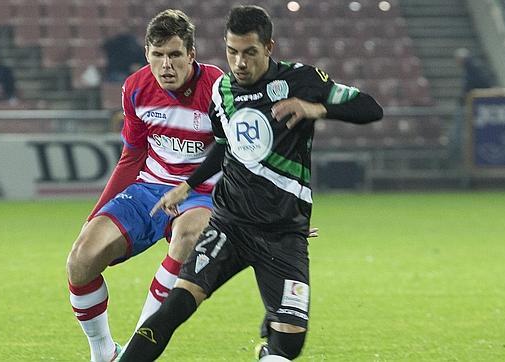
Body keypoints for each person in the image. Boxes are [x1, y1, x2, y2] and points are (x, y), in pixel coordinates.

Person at [119, 5, 383, 361]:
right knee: (175, 307)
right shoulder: (222, 91)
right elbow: (224, 147)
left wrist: (315, 109)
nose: (239, 62)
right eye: (232, 52)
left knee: (288, 345)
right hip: (230, 224)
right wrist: (188, 185)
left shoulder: (301, 80)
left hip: (282, 233)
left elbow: (370, 107)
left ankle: (270, 346)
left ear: (269, 47)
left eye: (249, 52)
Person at [66, 10, 224, 362]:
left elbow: (240, 154)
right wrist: (95, 216)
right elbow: (132, 154)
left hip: (200, 192)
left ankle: (135, 355)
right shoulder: (136, 88)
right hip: (149, 188)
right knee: (81, 259)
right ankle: (103, 352)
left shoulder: (217, 88)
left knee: (188, 234)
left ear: (191, 54)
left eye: (174, 55)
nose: (166, 65)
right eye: (157, 55)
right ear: (147, 55)